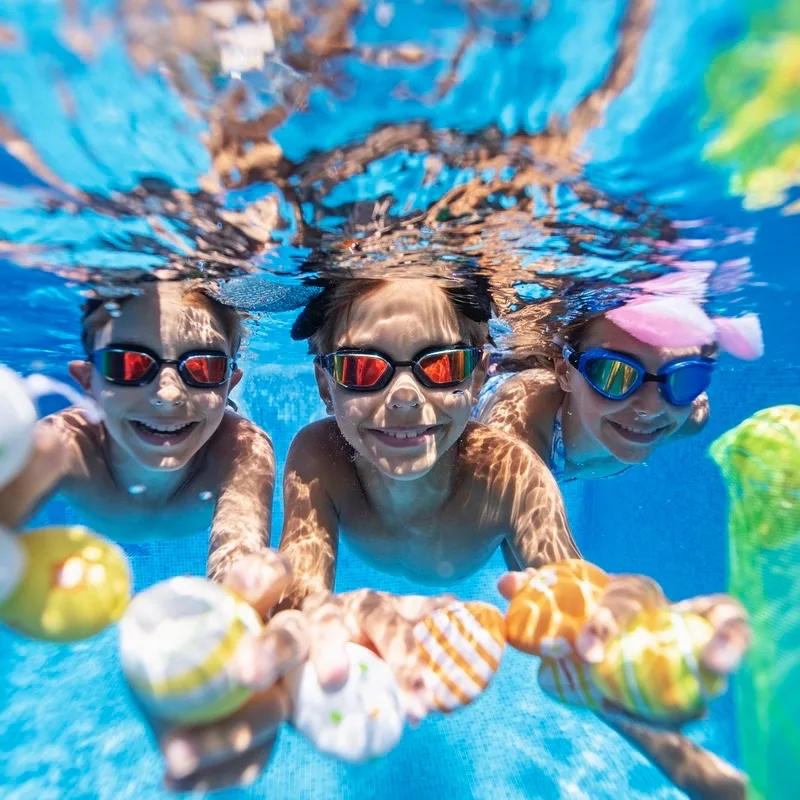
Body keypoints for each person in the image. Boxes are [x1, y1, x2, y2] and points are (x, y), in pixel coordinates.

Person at [1, 280, 273, 584]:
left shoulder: (241, 449)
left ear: (229, 383)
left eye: (203, 367)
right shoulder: (65, 444)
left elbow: (242, 569)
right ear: (88, 381)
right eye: (128, 365)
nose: (168, 395)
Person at [475, 311, 714, 482]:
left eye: (683, 378)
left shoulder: (688, 419)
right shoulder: (522, 421)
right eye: (614, 375)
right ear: (565, 370)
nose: (652, 408)